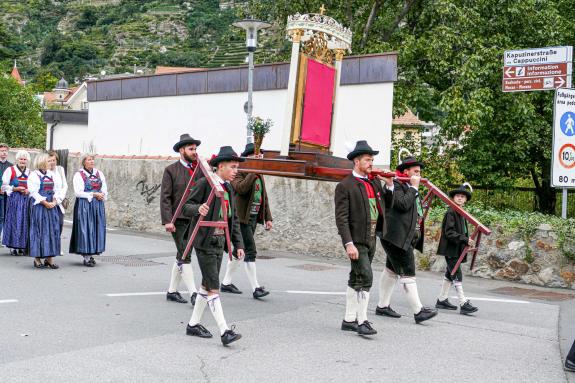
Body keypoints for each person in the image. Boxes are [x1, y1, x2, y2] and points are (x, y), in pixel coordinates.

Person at [182, 146, 245, 346]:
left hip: (220, 242)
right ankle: (225, 331)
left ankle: (193, 325)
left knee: (207, 284)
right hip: (205, 241)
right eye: (233, 167)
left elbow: (232, 219)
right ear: (220, 166)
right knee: (214, 288)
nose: (236, 171)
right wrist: (198, 208)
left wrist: (238, 244)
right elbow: (186, 206)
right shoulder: (205, 183)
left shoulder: (229, 188)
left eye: (237, 167)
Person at [334, 141, 394, 336]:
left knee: (356, 278)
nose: (371, 163)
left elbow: (386, 206)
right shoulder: (345, 186)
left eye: (372, 160)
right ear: (356, 161)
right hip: (357, 240)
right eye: (368, 160)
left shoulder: (375, 182)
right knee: (366, 277)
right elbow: (341, 219)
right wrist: (348, 243)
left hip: (372, 237)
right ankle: (362, 321)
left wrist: (390, 185)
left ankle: (348, 319)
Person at [376, 156, 438, 324]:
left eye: (419, 172)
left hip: (400, 236)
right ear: (405, 172)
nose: (418, 175)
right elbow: (402, 204)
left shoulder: (404, 185)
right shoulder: (395, 184)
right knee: (408, 271)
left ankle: (382, 306)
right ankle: (418, 311)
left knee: (391, 270)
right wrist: (414, 187)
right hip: (395, 237)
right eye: (416, 172)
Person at [221, 143, 273, 299]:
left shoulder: (259, 173)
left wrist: (268, 217)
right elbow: (241, 188)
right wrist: (253, 171)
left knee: (239, 252)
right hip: (241, 218)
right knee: (250, 251)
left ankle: (226, 283)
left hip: (252, 218)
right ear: (248, 158)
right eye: (255, 156)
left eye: (260, 156)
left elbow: (263, 197)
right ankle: (256, 288)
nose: (259, 158)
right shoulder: (240, 172)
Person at [161, 134, 202, 305]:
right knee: (185, 255)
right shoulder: (171, 170)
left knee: (181, 254)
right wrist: (168, 220)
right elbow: (165, 197)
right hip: (178, 220)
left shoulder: (200, 169)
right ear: (181, 150)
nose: (194, 152)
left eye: (195, 149)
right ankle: (193, 293)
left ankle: (172, 291)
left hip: (196, 218)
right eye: (191, 149)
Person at [435, 184, 478, 315]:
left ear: (465, 200)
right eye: (458, 196)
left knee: (450, 273)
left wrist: (466, 240)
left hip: (456, 248)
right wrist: (465, 240)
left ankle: (442, 300)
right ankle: (463, 303)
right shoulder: (451, 212)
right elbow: (449, 232)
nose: (460, 198)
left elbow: (462, 231)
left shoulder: (461, 212)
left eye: (462, 197)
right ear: (453, 198)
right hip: (450, 248)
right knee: (456, 273)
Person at [69, 154, 108, 266]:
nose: (91, 161)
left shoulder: (99, 173)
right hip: (85, 205)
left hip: (97, 205)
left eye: (92, 159)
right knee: (86, 229)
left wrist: (102, 194)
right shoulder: (79, 175)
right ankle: (87, 256)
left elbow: (104, 187)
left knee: (96, 228)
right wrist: (94, 194)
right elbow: (78, 192)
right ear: (84, 162)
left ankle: (91, 254)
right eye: (89, 159)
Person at [28, 153, 62, 269]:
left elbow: (57, 189)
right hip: (40, 206)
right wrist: (44, 202)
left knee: (53, 230)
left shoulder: (52, 175)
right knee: (39, 230)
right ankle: (37, 259)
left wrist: (54, 201)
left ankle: (49, 259)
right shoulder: (34, 175)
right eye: (48, 161)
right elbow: (33, 192)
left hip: (51, 206)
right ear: (42, 162)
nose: (51, 163)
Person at [2, 150, 30, 256]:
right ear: (17, 160)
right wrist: (15, 188)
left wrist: (29, 190)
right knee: (14, 221)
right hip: (14, 199)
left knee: (24, 222)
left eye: (24, 159)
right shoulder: (10, 170)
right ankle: (13, 246)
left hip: (25, 200)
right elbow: (4, 186)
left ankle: (22, 246)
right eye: (21, 159)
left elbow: (33, 186)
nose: (22, 161)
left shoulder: (30, 172)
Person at [48, 151, 68, 243]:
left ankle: (56, 245)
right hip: (48, 201)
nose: (52, 162)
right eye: (50, 160)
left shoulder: (60, 169)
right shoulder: (44, 171)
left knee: (59, 223)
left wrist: (59, 199)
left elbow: (64, 186)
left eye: (54, 160)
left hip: (59, 201)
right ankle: (48, 246)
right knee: (49, 225)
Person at [0, 144, 13, 244]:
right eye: (2, 150)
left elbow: (13, 181)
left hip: (7, 195)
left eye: (5, 151)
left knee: (5, 217)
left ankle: (3, 238)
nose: (4, 152)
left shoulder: (11, 166)